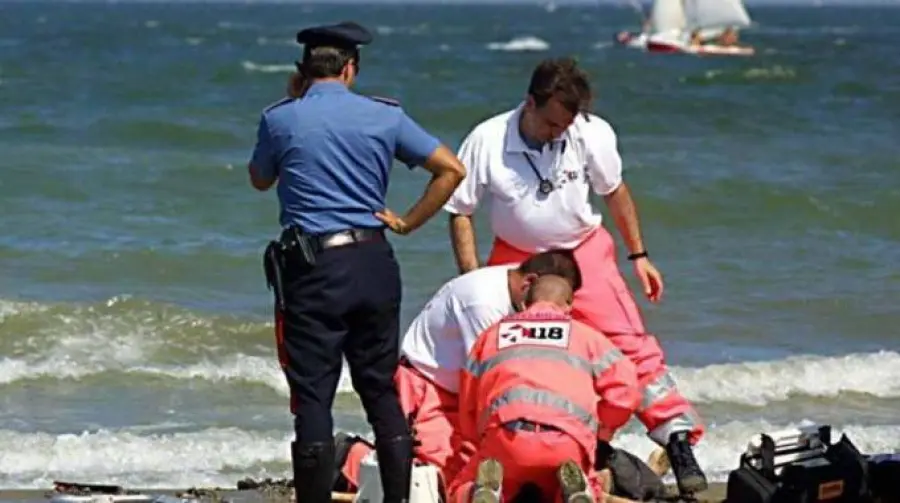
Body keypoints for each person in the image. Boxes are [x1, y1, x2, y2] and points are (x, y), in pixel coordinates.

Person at [443, 57, 708, 496]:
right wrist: (472, 279)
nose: (558, 133)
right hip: (517, 260)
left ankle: (677, 441)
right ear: (530, 103)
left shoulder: (590, 132)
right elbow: (460, 211)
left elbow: (614, 192)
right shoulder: (487, 138)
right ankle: (500, 456)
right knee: (499, 352)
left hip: (583, 252)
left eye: (565, 126)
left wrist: (639, 255)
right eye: (551, 124)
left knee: (631, 349)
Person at [249, 21, 467, 503]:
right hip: (373, 260)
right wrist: (408, 222)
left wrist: (295, 101)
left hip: (313, 268)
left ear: (302, 71)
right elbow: (452, 170)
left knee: (313, 397)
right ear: (350, 69)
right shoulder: (385, 116)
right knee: (380, 391)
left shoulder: (280, 118)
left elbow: (259, 179)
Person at [331, 250, 584, 492]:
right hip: (429, 386)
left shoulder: (520, 285)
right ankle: (348, 456)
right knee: (432, 478)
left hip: (462, 390)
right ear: (529, 283)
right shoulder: (483, 304)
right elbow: (491, 379)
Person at [448, 275, 642, 503]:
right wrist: (600, 430)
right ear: (569, 306)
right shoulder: (587, 336)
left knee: (460, 487)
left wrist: (479, 439)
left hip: (506, 440)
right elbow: (626, 390)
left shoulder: (491, 336)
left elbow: (469, 401)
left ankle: (480, 493)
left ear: (524, 302)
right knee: (572, 484)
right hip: (567, 441)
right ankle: (579, 493)